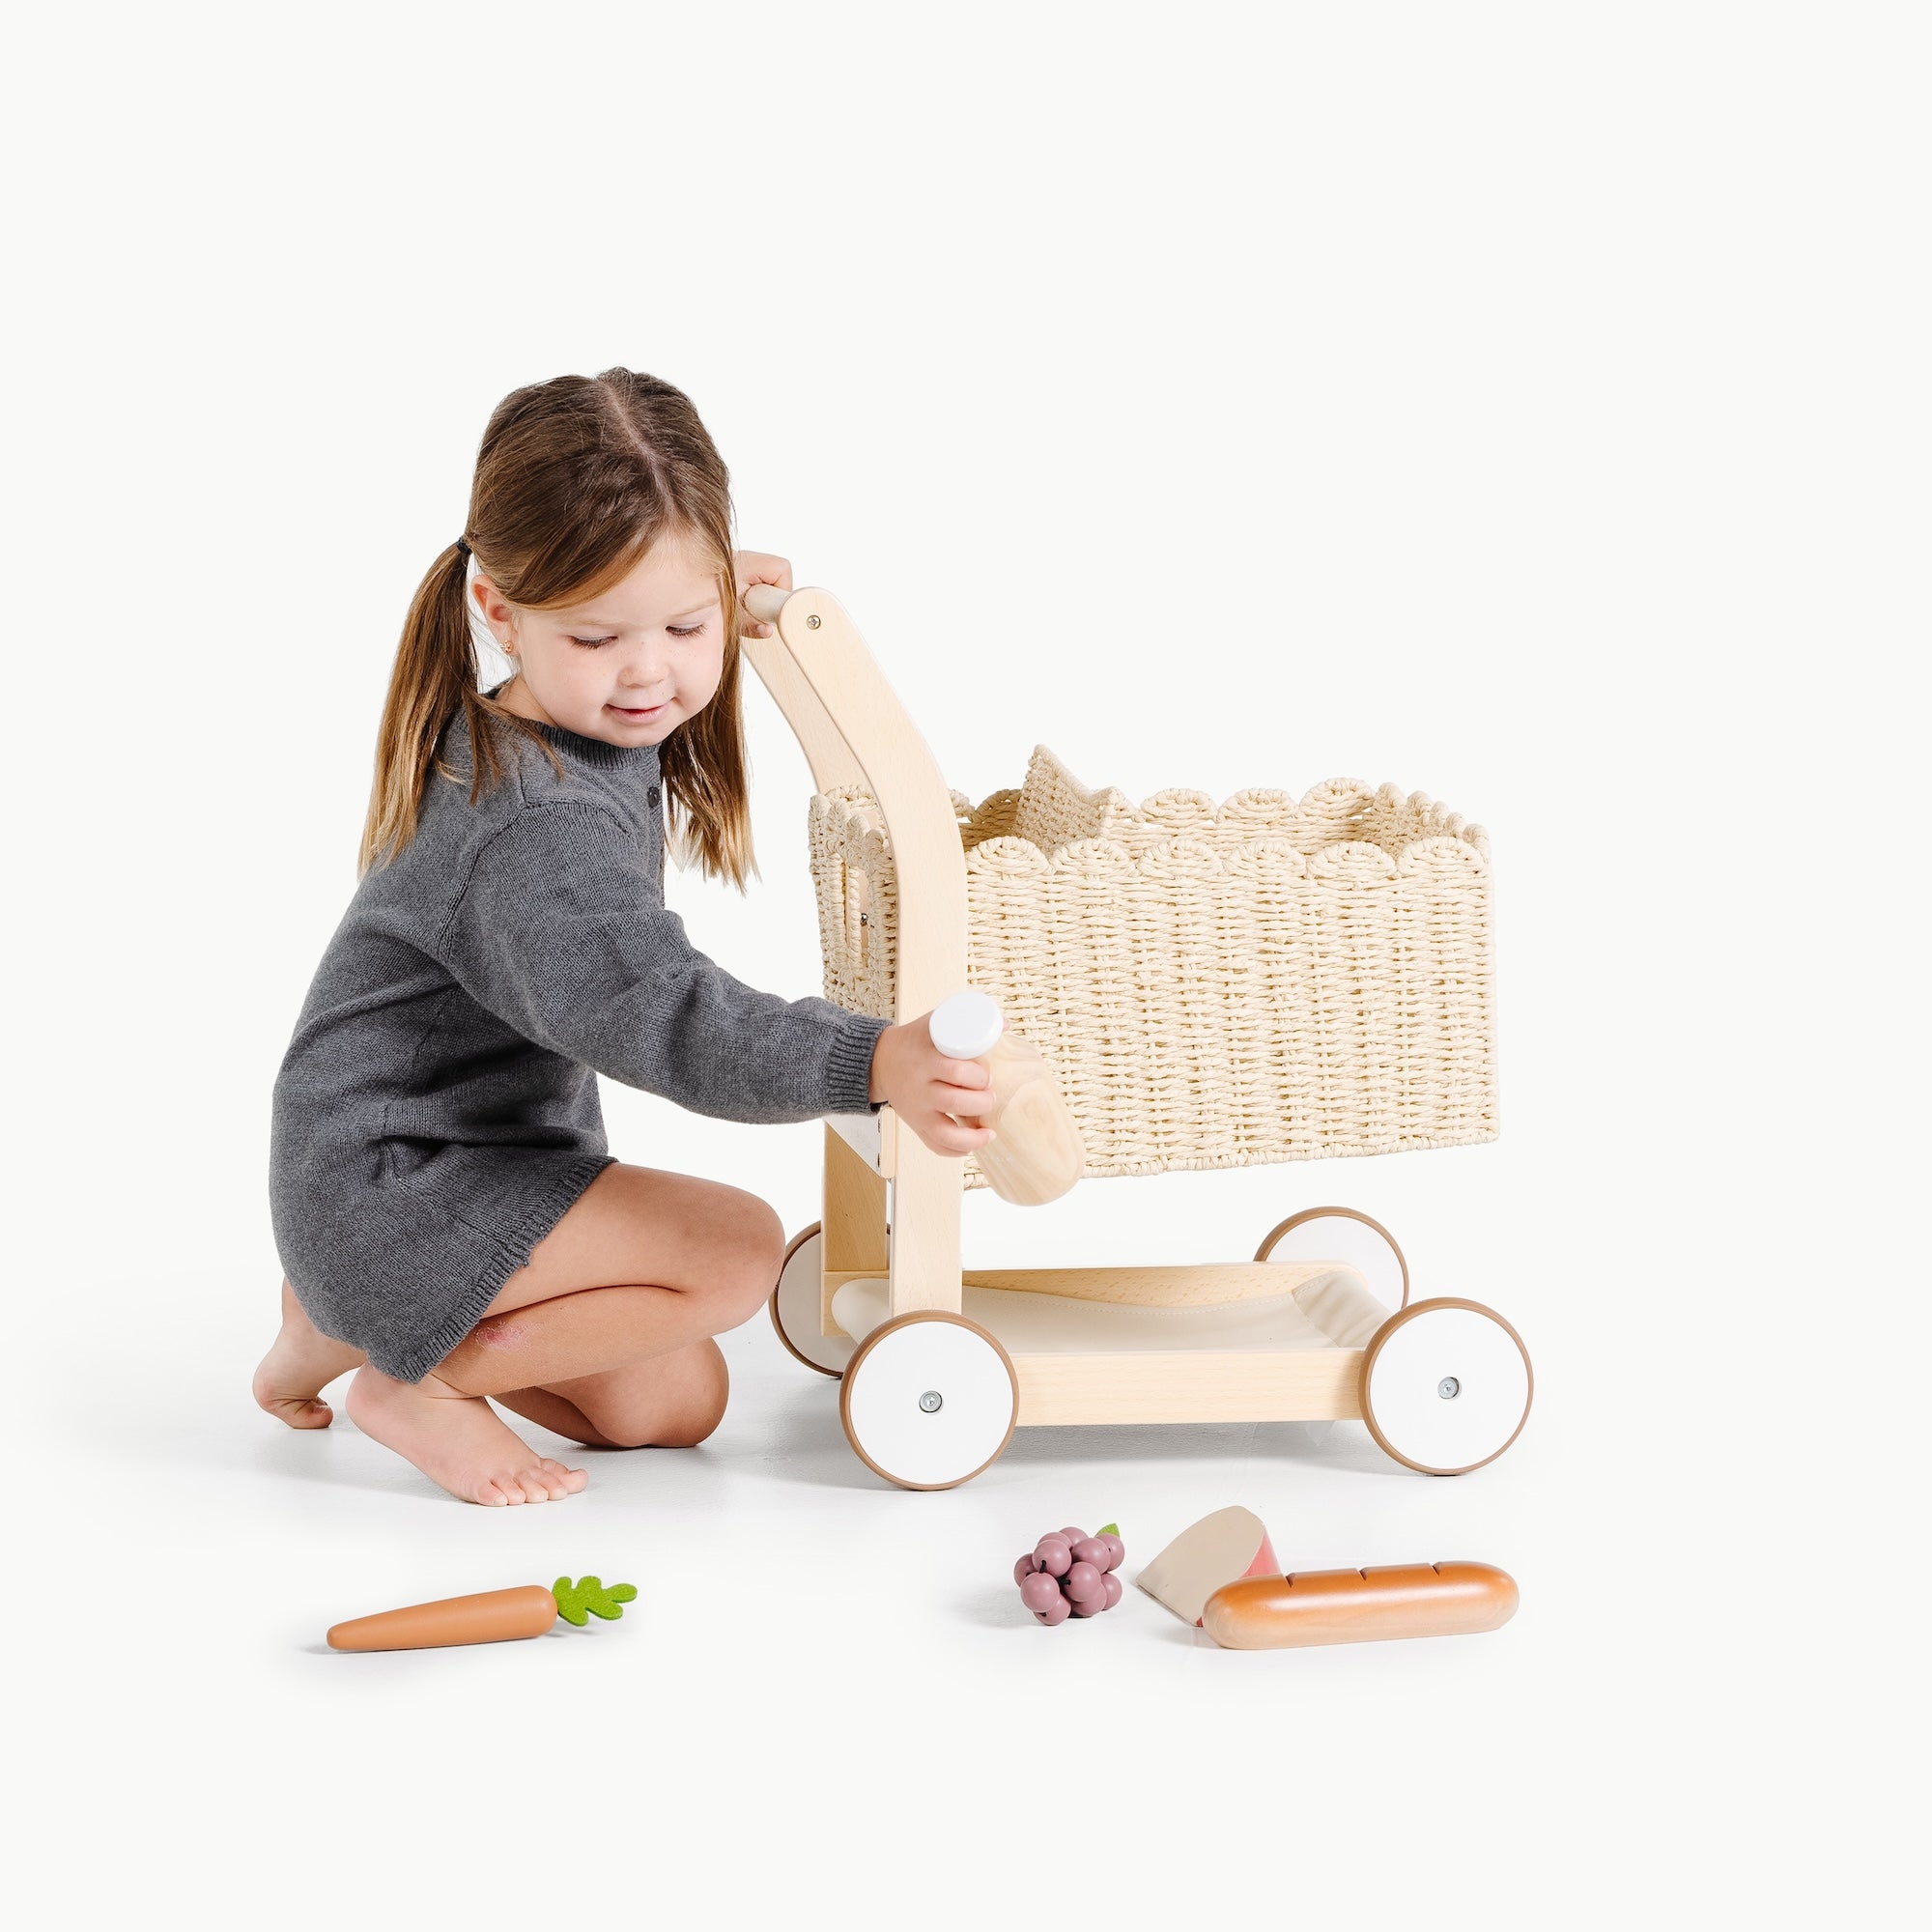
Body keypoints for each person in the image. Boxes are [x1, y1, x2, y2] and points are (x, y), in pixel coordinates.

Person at [254, 368, 995, 1505]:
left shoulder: (557, 701)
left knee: (672, 1407)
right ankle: (417, 1378)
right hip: (395, 1176)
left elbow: (637, 611)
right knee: (736, 1248)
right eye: (599, 634)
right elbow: (662, 1014)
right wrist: (869, 1060)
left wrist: (689, 589)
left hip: (443, 1169)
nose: (650, 670)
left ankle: (329, 1318)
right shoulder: (533, 828)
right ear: (496, 612)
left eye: (686, 623)